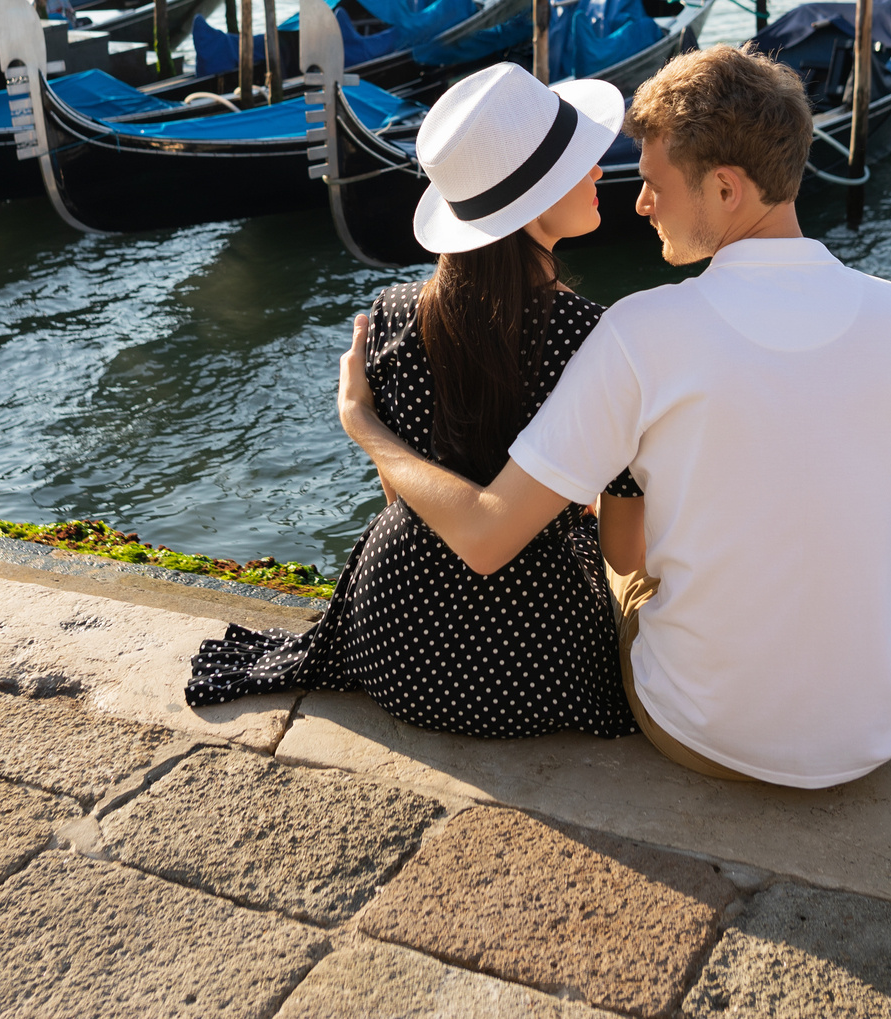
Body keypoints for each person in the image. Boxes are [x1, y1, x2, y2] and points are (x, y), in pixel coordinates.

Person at [333, 46, 891, 789]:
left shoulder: (637, 332)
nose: (639, 202)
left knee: (635, 507)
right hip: (885, 730)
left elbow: (519, 536)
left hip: (696, 727)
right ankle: (867, 679)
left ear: (725, 188)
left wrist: (364, 426)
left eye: (655, 184)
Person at [185, 62, 641, 740]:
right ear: (534, 199)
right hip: (530, 664)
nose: (599, 169)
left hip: (392, 638)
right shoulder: (596, 337)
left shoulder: (393, 312)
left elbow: (401, 493)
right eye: (579, 163)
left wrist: (363, 421)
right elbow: (624, 551)